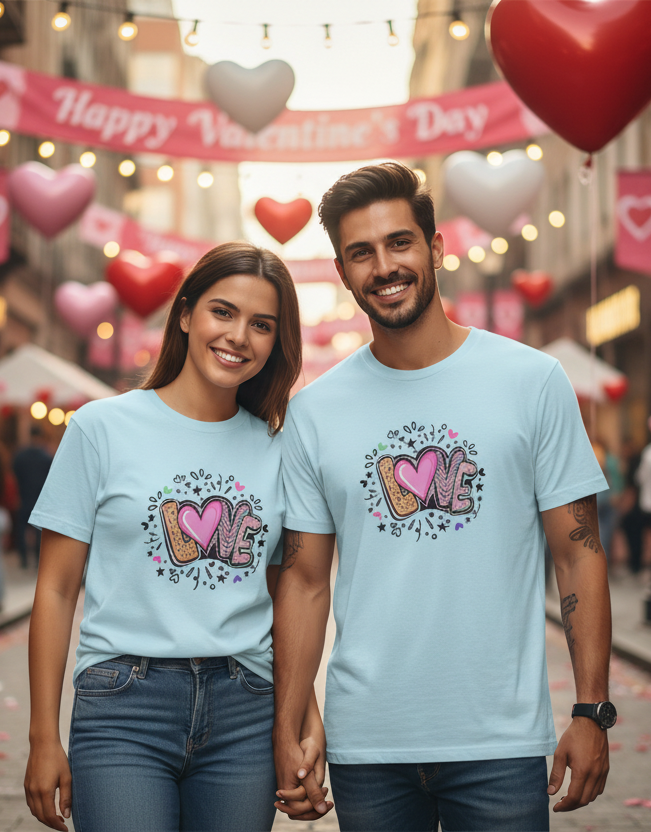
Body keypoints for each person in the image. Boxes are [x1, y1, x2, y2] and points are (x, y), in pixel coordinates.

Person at [272, 163, 615, 832]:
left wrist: (590, 709)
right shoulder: (314, 413)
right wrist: (286, 728)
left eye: (399, 242)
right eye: (360, 252)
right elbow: (304, 583)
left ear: (433, 248)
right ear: (342, 273)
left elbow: (578, 554)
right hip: (367, 744)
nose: (383, 265)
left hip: (499, 742)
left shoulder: (531, 381)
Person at [24, 242, 330, 832]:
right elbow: (57, 591)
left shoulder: (279, 448)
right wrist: (43, 737)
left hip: (245, 707)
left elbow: (281, 595)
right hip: (123, 707)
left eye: (261, 325)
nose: (239, 336)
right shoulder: (100, 429)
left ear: (275, 342)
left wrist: (299, 716)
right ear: (186, 315)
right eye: (223, 312)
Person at [13, 425, 52, 568]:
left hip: (23, 496)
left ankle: (23, 559)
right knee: (39, 531)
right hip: (40, 499)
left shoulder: (20, 456)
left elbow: (15, 474)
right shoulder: (47, 457)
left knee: (22, 529)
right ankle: (38, 560)